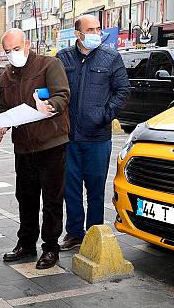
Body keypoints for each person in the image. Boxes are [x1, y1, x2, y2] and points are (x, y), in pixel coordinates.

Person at [0, 28, 70, 269]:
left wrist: (51, 106)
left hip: (51, 143)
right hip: (24, 147)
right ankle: (26, 244)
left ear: (27, 44)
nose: (13, 55)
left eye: (16, 49)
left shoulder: (49, 64)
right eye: (8, 52)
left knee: (52, 198)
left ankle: (50, 248)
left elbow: (63, 94)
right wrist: (1, 125)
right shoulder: (5, 76)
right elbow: (3, 107)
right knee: (25, 197)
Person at [55, 15, 129, 251]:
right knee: (71, 189)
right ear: (78, 33)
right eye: (90, 29)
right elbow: (54, 89)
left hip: (98, 137)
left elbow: (123, 89)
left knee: (96, 189)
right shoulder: (63, 57)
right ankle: (74, 233)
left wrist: (106, 114)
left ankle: (94, 232)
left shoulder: (111, 57)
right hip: (69, 137)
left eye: (98, 28)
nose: (96, 33)